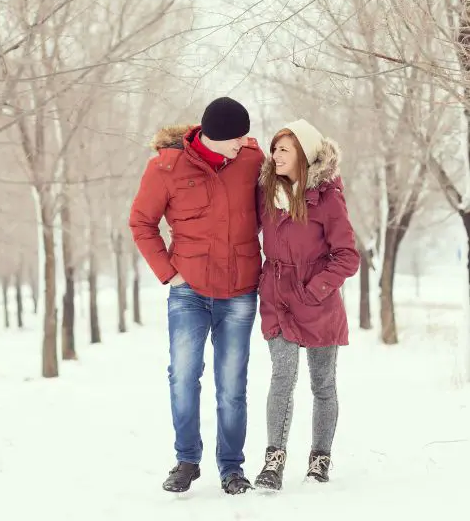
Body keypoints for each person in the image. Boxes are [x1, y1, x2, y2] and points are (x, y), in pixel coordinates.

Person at [129, 97, 263, 495]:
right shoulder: (165, 168)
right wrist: (168, 273)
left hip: (239, 290)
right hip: (187, 289)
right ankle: (187, 460)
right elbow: (141, 222)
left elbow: (282, 198)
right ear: (215, 136)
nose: (243, 142)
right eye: (236, 137)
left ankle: (232, 467)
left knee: (232, 384)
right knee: (184, 377)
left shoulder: (253, 161)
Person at [254, 119, 359, 491]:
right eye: (274, 148)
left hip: (318, 304)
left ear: (303, 152)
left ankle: (319, 459)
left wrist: (315, 290)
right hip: (277, 300)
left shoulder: (327, 197)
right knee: (281, 378)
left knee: (322, 384)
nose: (275, 155)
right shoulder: (266, 192)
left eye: (284, 149)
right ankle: (273, 460)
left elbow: (348, 256)